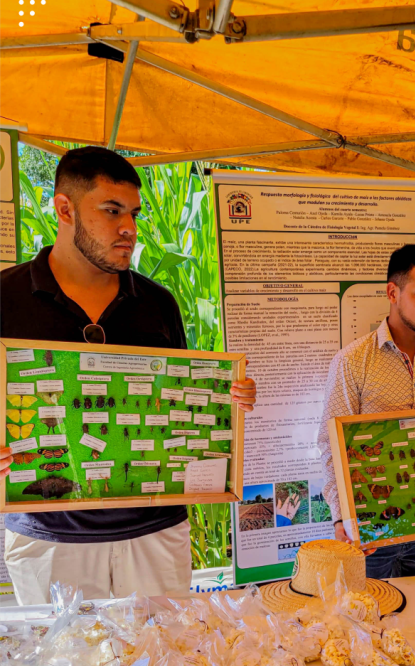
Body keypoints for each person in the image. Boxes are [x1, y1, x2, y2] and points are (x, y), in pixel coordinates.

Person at [0, 146, 256, 603]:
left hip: (155, 529)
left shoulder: (157, 303)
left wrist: (224, 400)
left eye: (134, 213)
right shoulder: (5, 296)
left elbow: (180, 399)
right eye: (112, 211)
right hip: (51, 538)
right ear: (64, 209)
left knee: (164, 664)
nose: (129, 229)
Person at [318, 243, 415, 579]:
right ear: (392, 292)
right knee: (364, 618)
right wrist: (341, 518)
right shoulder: (352, 362)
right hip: (370, 528)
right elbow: (330, 444)